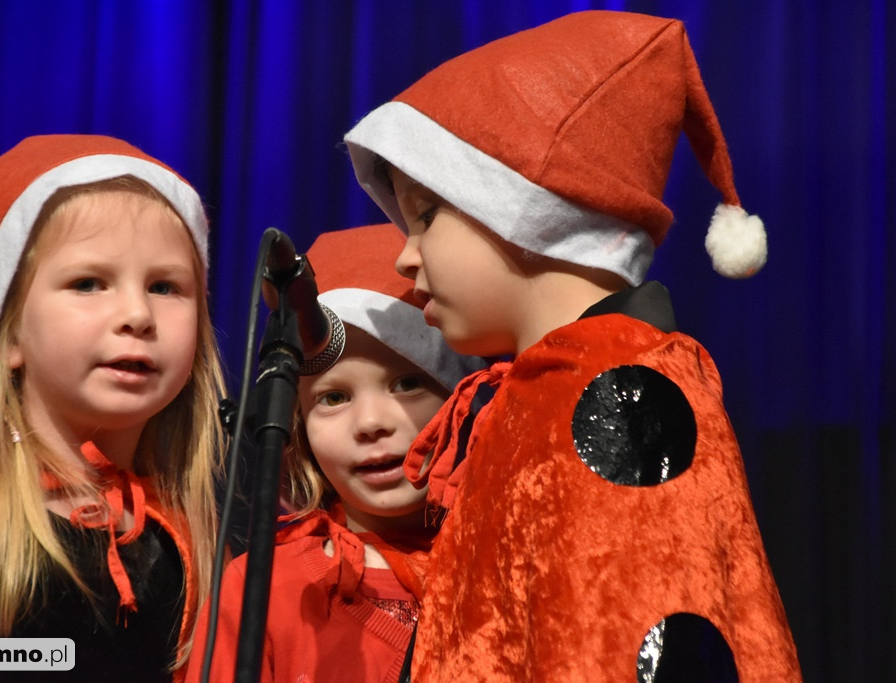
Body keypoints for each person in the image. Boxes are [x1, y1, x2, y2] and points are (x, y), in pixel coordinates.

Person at [343, 10, 802, 682]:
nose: (405, 257)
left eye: (427, 214)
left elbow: (624, 641)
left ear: (526, 209)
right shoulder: (544, 395)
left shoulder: (620, 399)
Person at [0, 134, 228, 683]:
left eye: (165, 286)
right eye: (88, 283)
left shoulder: (189, 534)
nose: (137, 313)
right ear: (9, 335)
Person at [186, 224, 484, 682]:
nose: (370, 423)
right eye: (333, 398)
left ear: (464, 396)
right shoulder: (263, 592)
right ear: (299, 428)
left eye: (407, 383)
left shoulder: (518, 566)